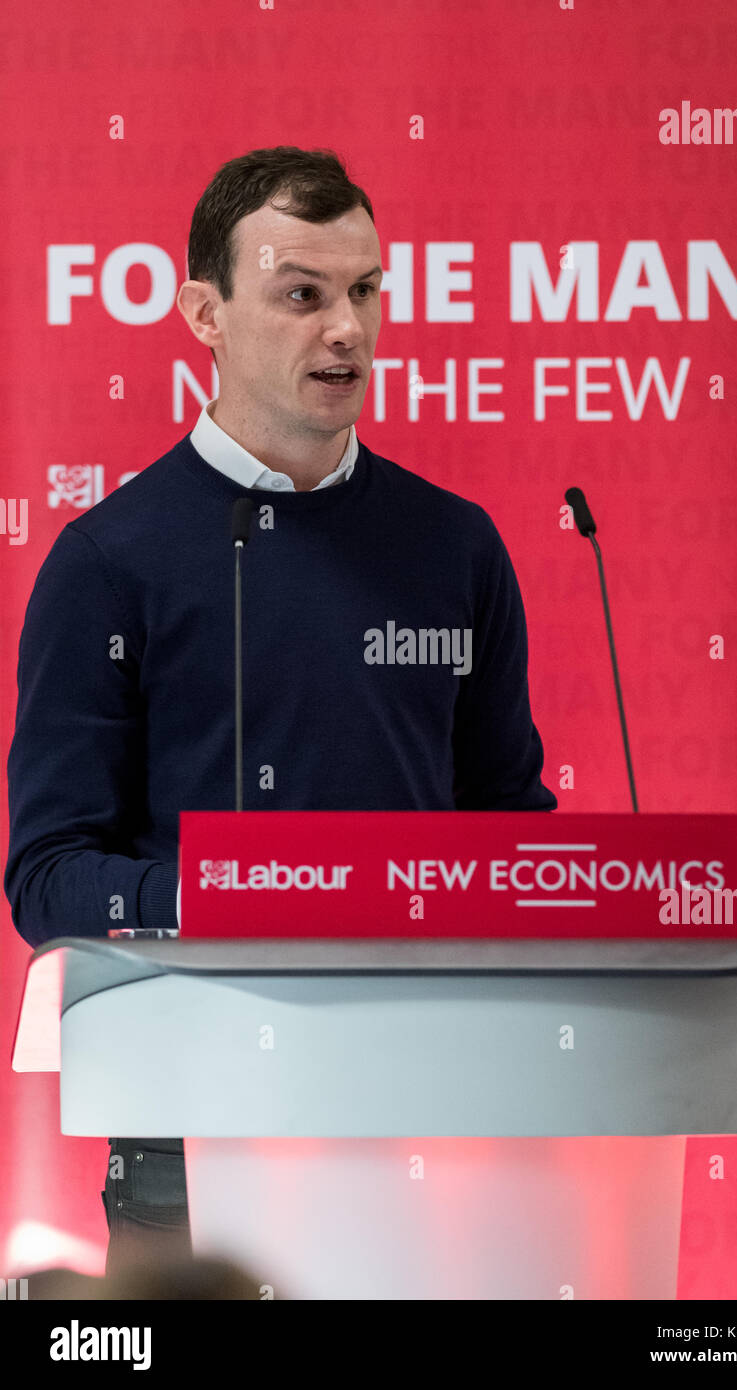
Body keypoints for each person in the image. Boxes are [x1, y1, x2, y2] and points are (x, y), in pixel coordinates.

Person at [5, 145, 557, 1277]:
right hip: (189, 1131)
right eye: (301, 294)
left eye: (364, 290)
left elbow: (509, 825)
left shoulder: (455, 547)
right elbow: (49, 874)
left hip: (431, 1122)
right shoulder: (108, 561)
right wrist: (249, 894)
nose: (345, 329)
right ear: (204, 313)